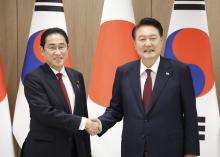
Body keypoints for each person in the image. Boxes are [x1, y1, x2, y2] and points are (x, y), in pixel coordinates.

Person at [91, 17, 200, 157]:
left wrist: (191, 153)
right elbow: (116, 110)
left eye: (153, 38)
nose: (148, 43)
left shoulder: (180, 71)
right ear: (134, 44)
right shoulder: (124, 72)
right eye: (142, 39)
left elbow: (190, 114)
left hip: (170, 150)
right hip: (133, 150)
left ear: (161, 41)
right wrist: (100, 123)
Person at [21, 27, 99, 157]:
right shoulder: (34, 78)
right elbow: (45, 113)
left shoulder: (76, 76)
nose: (58, 52)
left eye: (61, 47)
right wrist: (84, 122)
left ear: (67, 48)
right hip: (45, 150)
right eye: (52, 47)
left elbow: (81, 112)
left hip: (75, 148)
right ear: (42, 50)